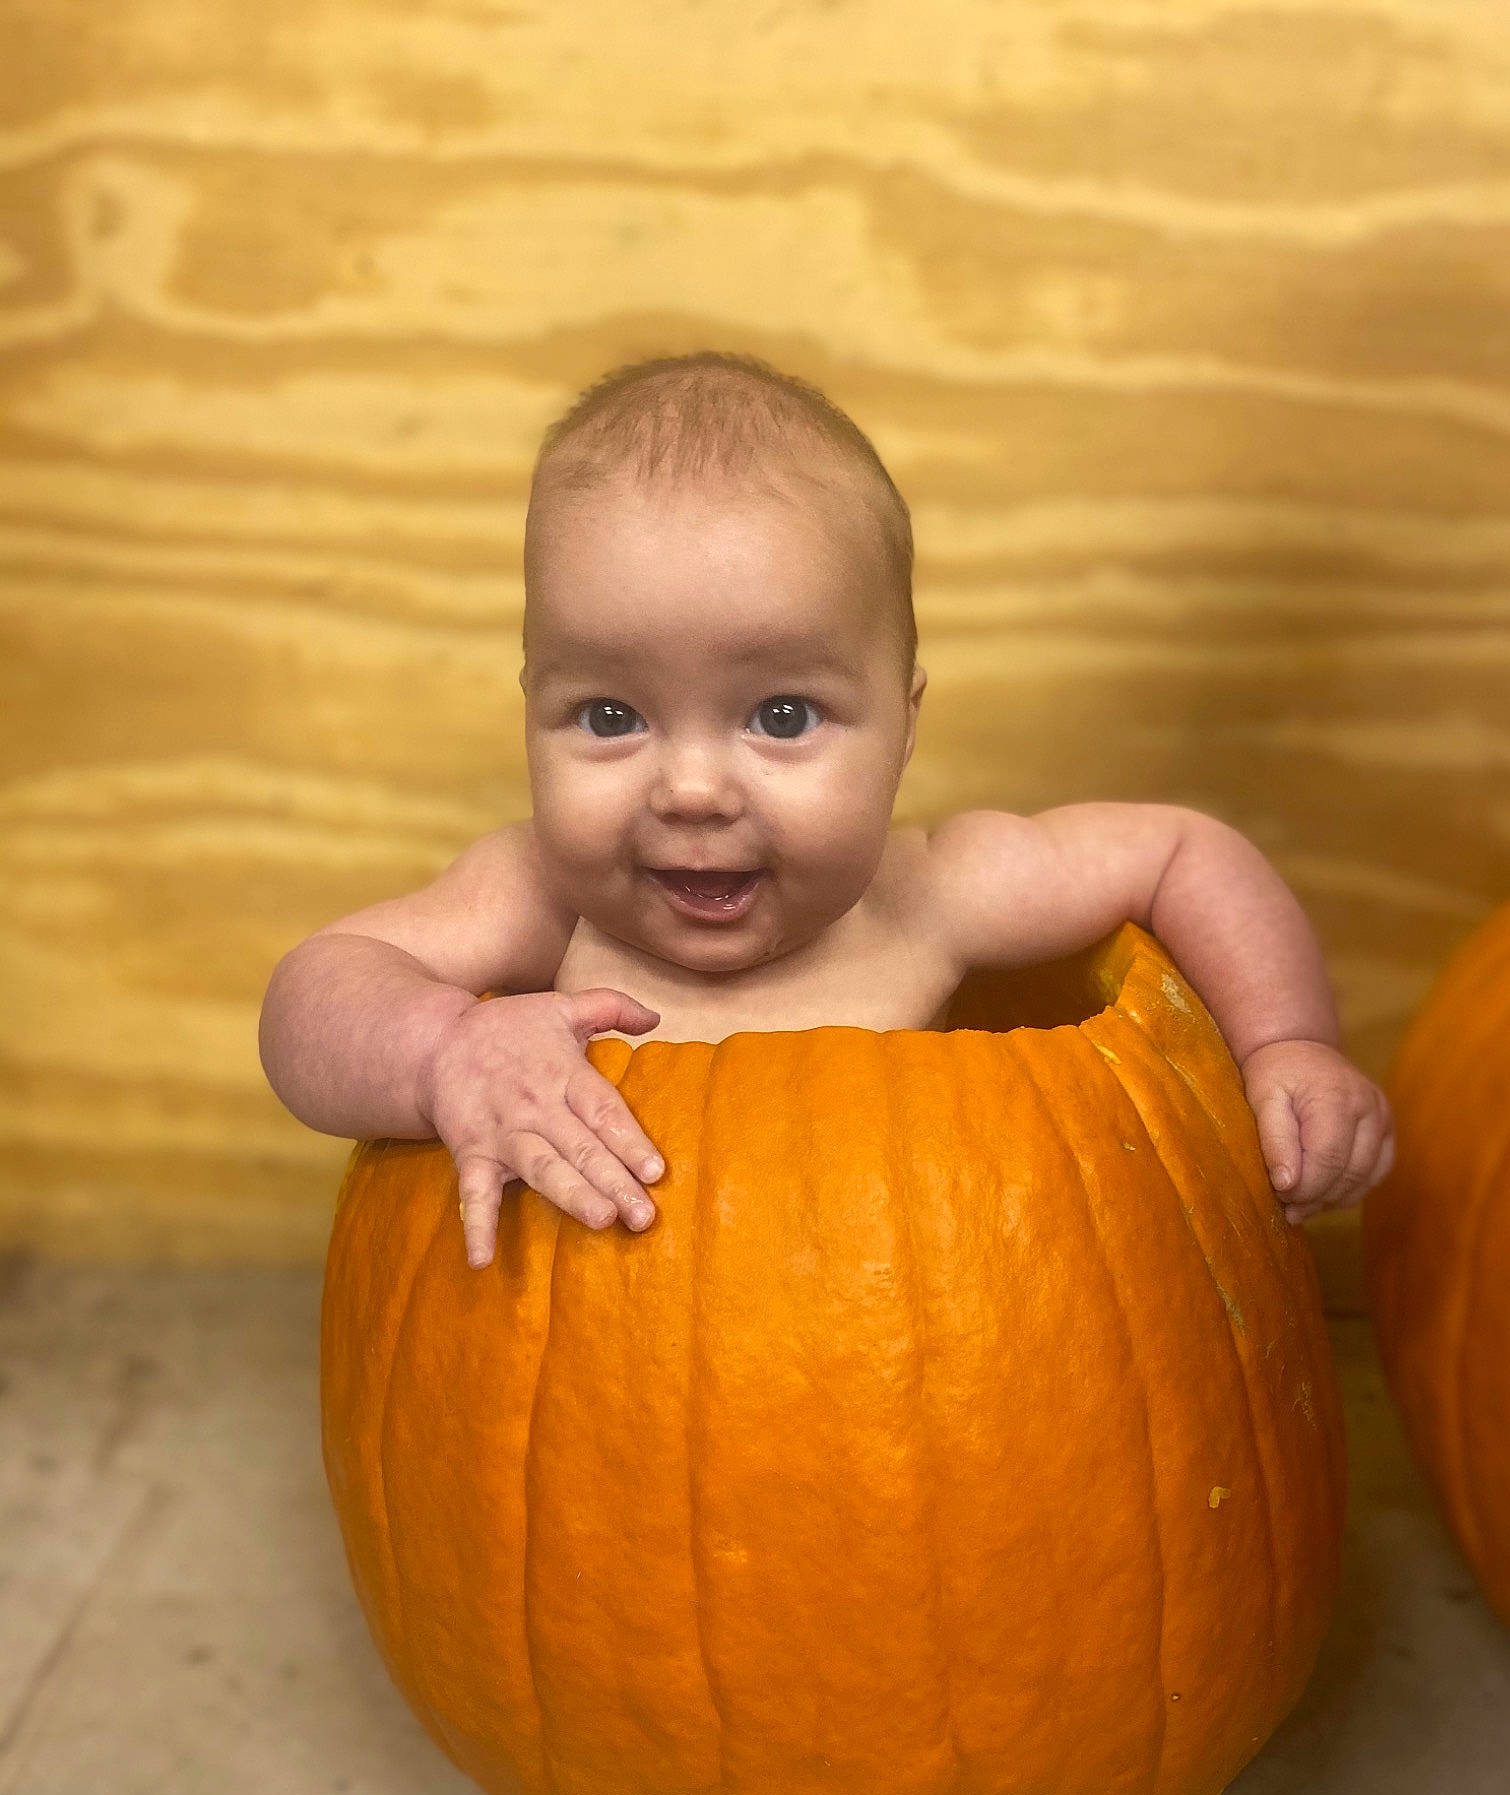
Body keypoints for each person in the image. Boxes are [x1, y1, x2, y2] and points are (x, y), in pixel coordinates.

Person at [258, 351, 1395, 1270]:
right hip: (611, 1420)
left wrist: (1286, 1042)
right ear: (529, 710)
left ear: (903, 727)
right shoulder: (541, 901)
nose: (692, 789)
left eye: (785, 714)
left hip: (898, 1371)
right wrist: (446, 1049)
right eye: (609, 715)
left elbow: (1181, 851)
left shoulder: (933, 896)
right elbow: (314, 991)